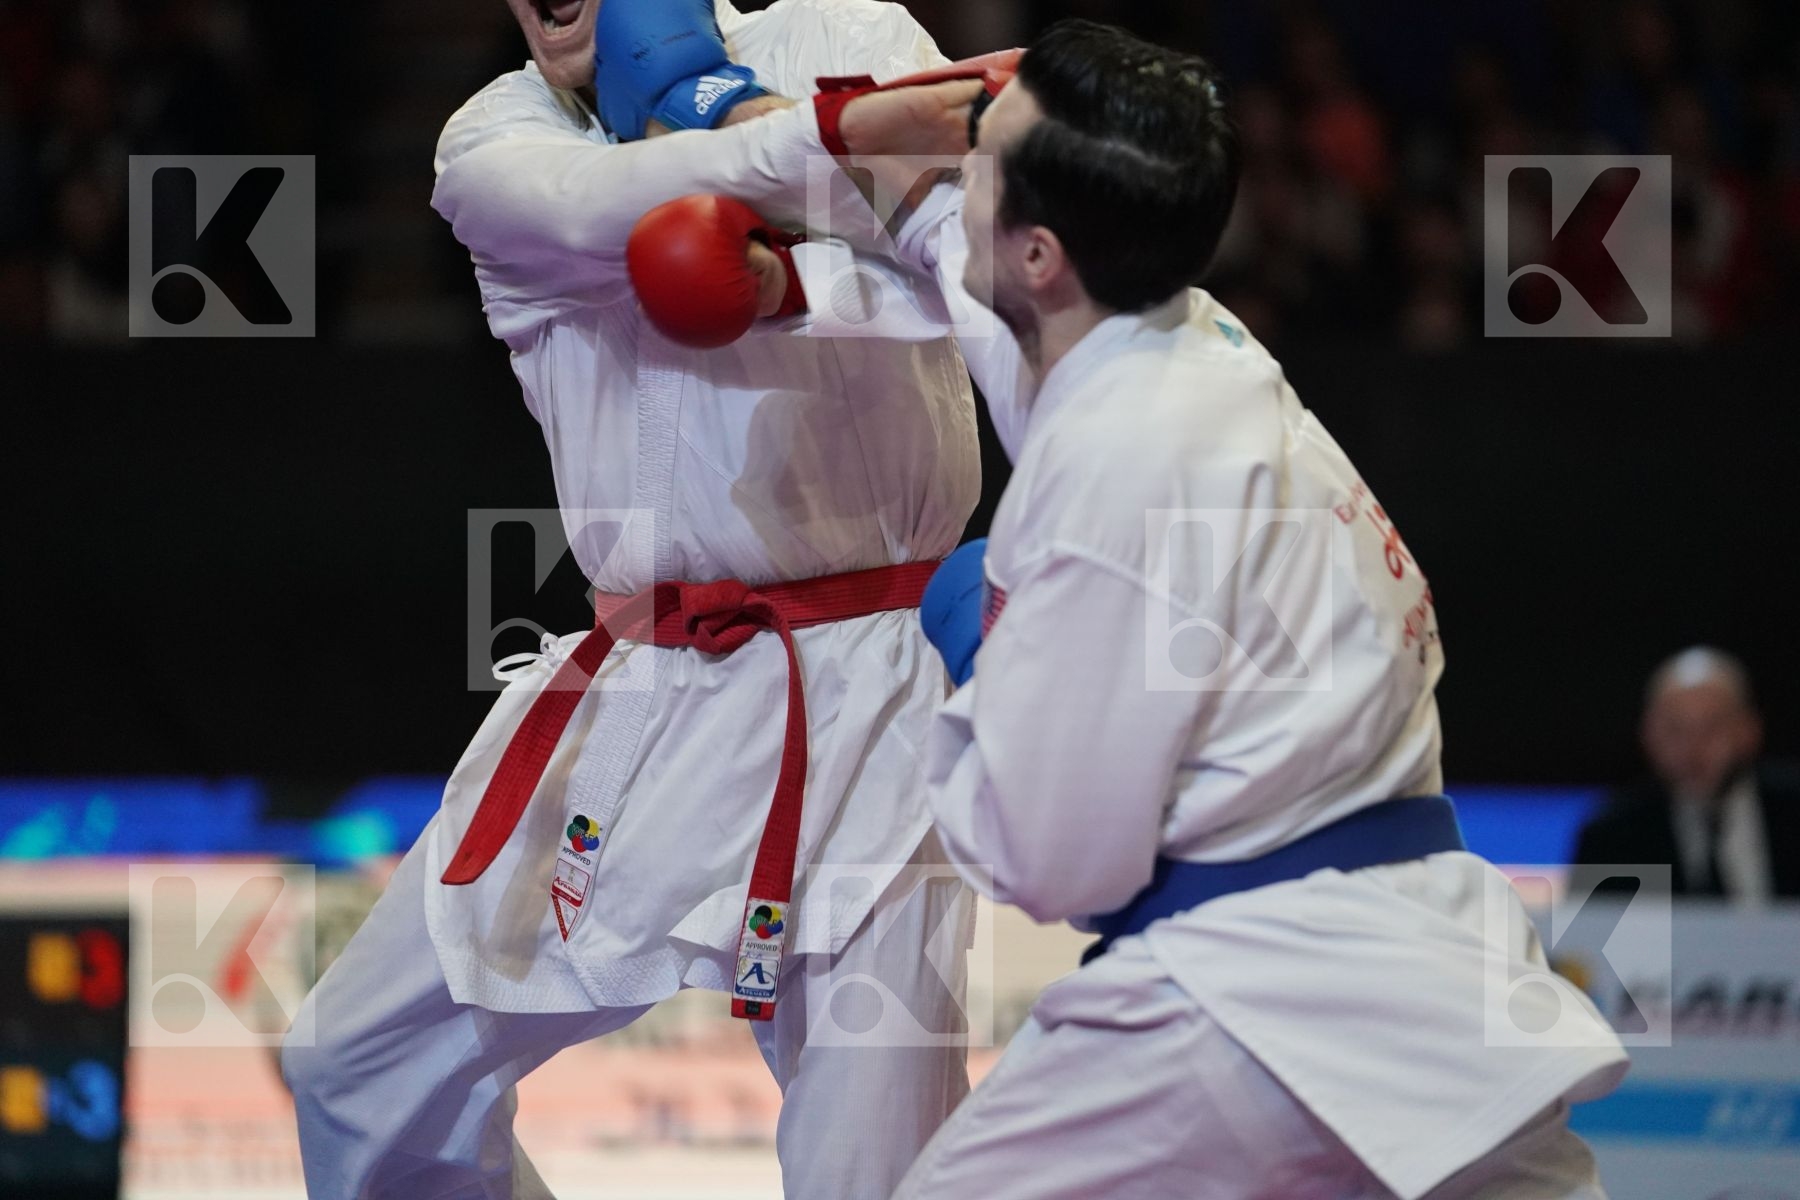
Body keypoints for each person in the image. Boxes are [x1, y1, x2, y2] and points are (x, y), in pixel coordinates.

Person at [628, 19, 1632, 1199]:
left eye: (982, 153)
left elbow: (1049, 863)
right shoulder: (1180, 342)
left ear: (1042, 250)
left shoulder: (1115, 467)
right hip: (1426, 970)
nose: (960, 166)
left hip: (1246, 997)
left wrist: (982, 649)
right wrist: (718, 107)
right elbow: (921, 210)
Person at [279, 3, 1011, 1196]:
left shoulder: (849, 29)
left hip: (875, 691)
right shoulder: (494, 140)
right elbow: (609, 214)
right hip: (642, 685)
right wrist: (810, 137)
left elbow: (974, 259)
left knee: (874, 1172)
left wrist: (795, 237)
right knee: (354, 1066)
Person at [1574, 646, 1800, 902]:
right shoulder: (1611, 839)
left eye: (1712, 727)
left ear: (1749, 730)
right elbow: (1592, 938)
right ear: (1648, 736)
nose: (1693, 748)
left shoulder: (1793, 814)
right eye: (1675, 729)